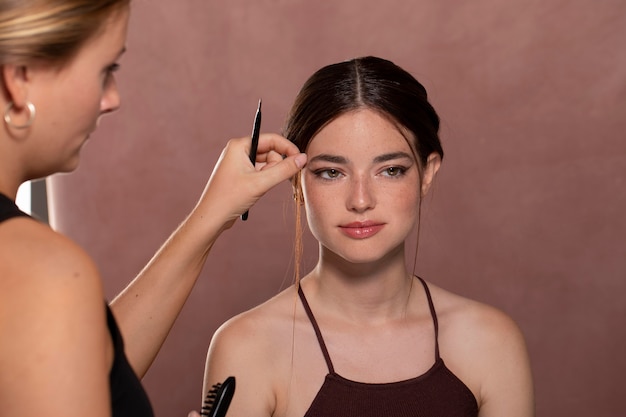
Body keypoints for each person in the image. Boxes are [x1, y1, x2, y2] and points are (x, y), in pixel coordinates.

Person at [0, 1, 307, 417]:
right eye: (106, 70)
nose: (113, 99)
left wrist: (211, 214)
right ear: (19, 80)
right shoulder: (41, 272)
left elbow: (82, 366)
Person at [202, 56, 535, 417]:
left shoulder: (490, 343)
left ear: (427, 173)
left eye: (390, 170)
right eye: (331, 172)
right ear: (295, 181)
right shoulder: (247, 348)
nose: (361, 200)